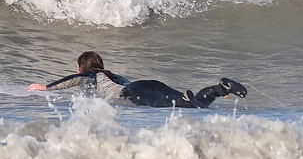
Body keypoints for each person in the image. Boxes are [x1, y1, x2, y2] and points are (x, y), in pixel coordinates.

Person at [28, 51, 247, 108]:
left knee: (176, 105)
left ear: (81, 66)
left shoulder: (92, 75)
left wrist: (46, 87)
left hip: (133, 91)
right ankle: (218, 89)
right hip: (147, 83)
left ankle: (186, 101)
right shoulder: (111, 75)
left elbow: (74, 80)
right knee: (193, 104)